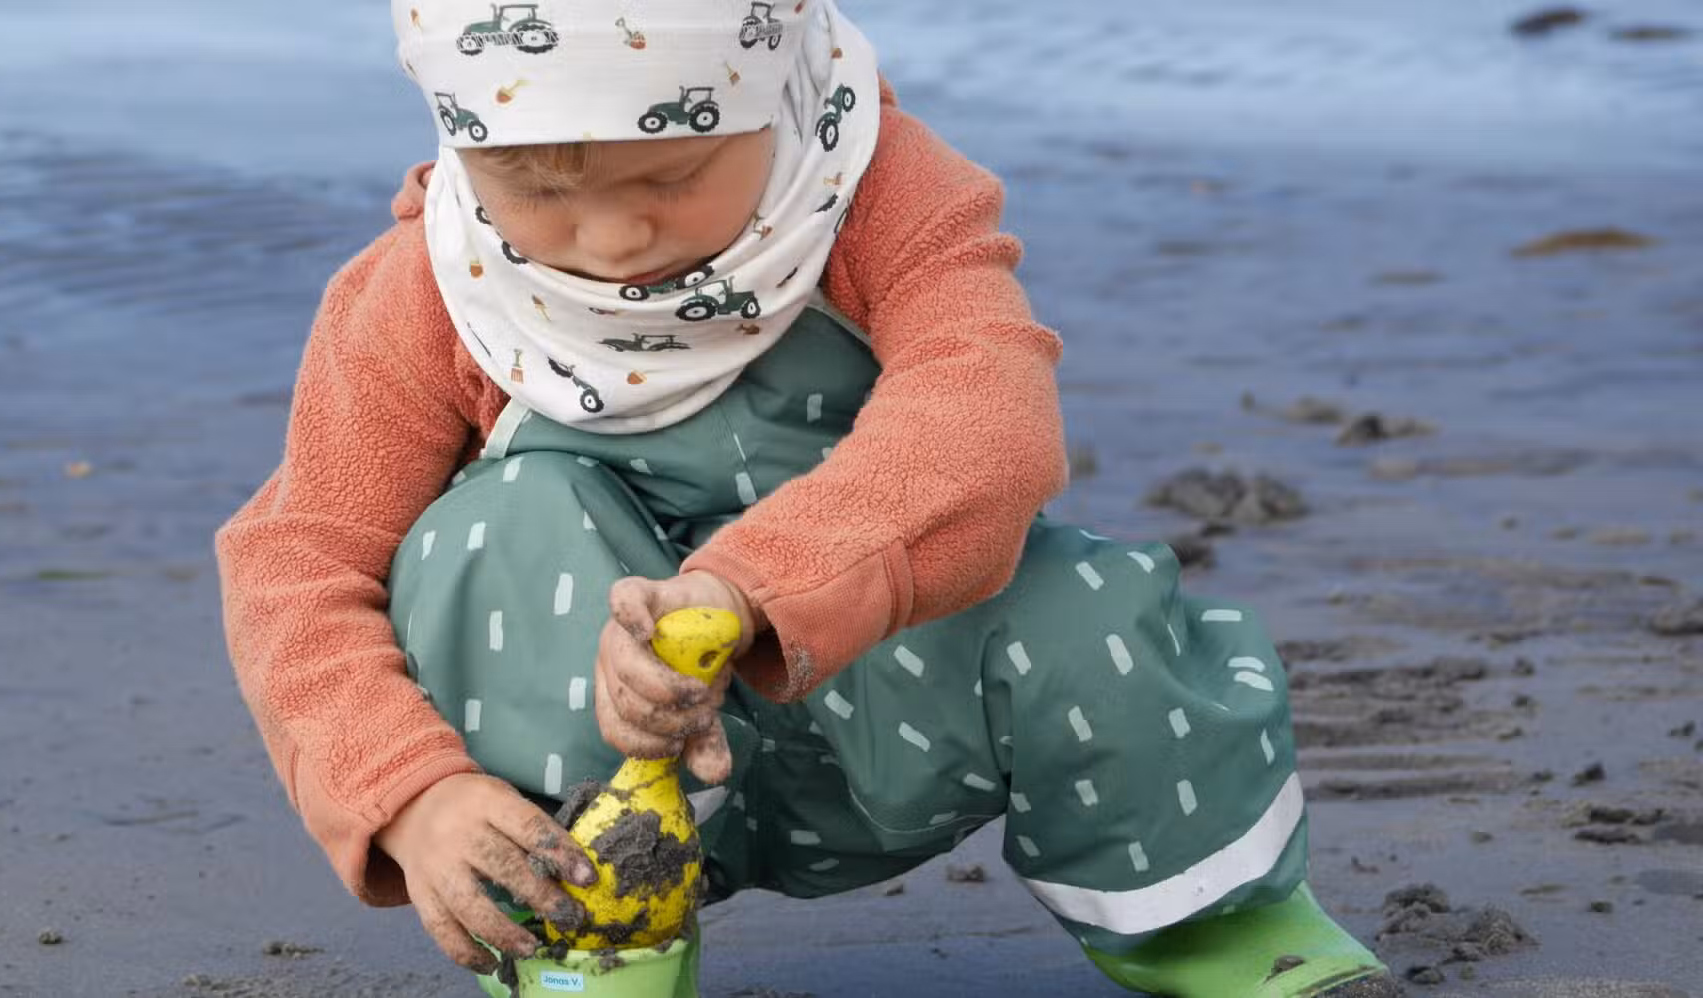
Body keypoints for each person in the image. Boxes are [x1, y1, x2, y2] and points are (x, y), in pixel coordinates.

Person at [217, 2, 1398, 995]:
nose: (614, 237)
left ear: (770, 90)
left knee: (1083, 607)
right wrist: (411, 792)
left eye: (672, 172)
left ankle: (1204, 923)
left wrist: (746, 590)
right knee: (488, 530)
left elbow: (984, 417)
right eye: (533, 187)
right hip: (599, 756)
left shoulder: (875, 193)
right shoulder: (429, 290)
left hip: (892, 685)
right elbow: (295, 563)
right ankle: (594, 941)